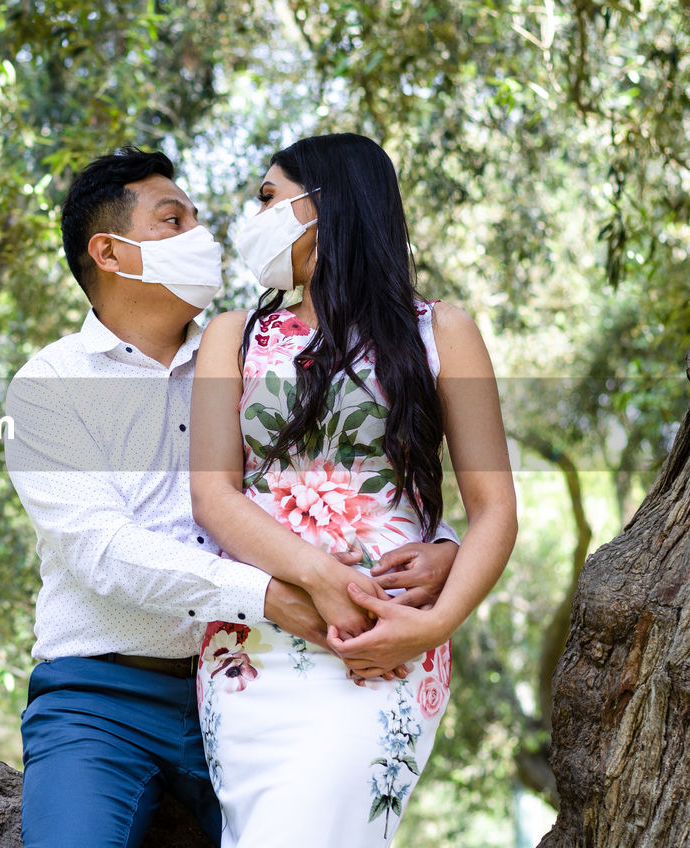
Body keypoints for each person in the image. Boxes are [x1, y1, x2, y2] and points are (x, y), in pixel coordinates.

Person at [4, 145, 463, 848]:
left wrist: (439, 547)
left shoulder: (254, 353)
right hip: (105, 696)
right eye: (174, 219)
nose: (207, 235)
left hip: (268, 667)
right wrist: (268, 595)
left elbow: (337, 475)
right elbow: (101, 550)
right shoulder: (50, 386)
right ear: (111, 252)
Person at [190, 133, 518, 846]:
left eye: (269, 198)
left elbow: (495, 512)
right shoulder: (232, 337)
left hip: (386, 647)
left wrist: (437, 623)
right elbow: (213, 497)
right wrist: (320, 577)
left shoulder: (442, 331)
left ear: (327, 203)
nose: (255, 216)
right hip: (254, 652)